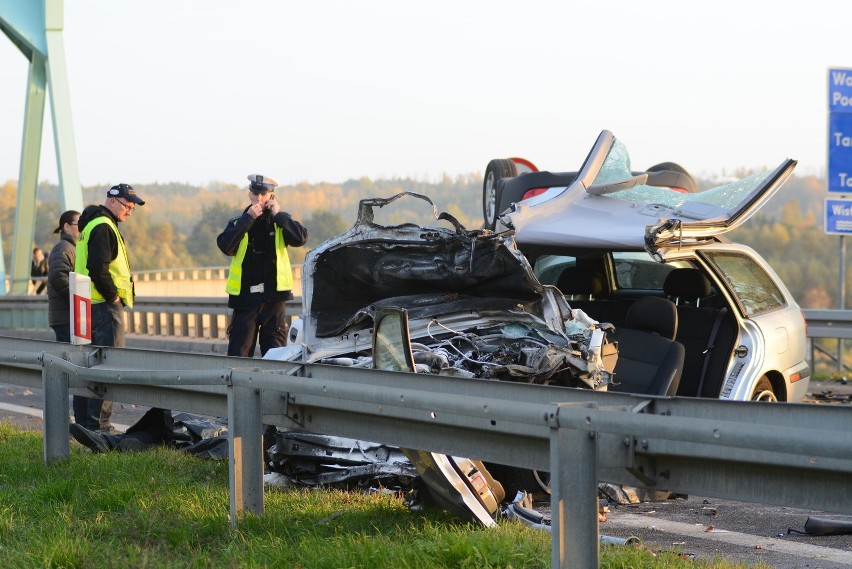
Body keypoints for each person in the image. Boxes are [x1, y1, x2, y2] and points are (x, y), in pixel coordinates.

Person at [73, 183, 145, 432]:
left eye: (133, 208)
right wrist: (113, 297)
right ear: (112, 201)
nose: (129, 211)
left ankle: (84, 424)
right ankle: (100, 426)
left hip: (86, 304)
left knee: (87, 366)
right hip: (104, 306)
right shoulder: (104, 226)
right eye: (127, 206)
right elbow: (98, 268)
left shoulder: (91, 224)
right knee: (109, 365)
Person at [217, 174, 307, 357]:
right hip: (245, 301)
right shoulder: (238, 222)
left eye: (264, 195)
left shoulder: (280, 222)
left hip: (273, 301)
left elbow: (300, 238)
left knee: (276, 357)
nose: (259, 199)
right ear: (249, 194)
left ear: (271, 196)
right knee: (238, 356)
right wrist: (248, 219)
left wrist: (279, 215)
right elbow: (226, 246)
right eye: (255, 194)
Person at [47, 210, 80, 342]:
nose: (83, 227)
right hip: (66, 316)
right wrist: (76, 299)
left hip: (69, 315)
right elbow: (58, 276)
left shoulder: (71, 247)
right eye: (79, 223)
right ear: (66, 227)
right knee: (71, 359)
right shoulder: (63, 248)